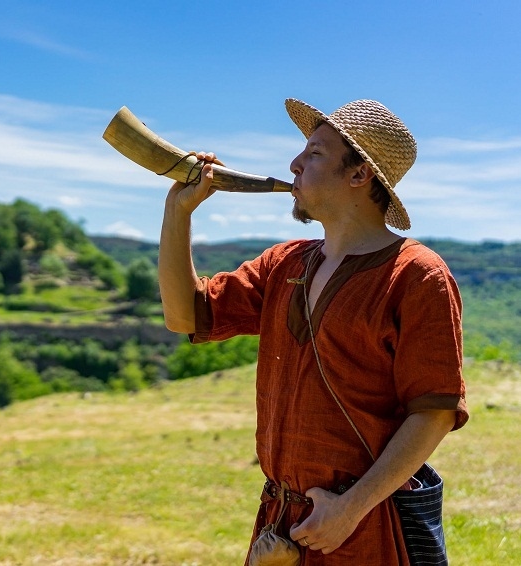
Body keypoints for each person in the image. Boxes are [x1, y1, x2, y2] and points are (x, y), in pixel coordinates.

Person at [158, 98, 468, 565]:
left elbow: (434, 412)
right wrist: (178, 212)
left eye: (315, 153)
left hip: (359, 526)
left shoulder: (419, 276)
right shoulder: (284, 263)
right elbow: (186, 316)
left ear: (359, 175)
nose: (295, 164)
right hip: (279, 523)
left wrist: (349, 508)